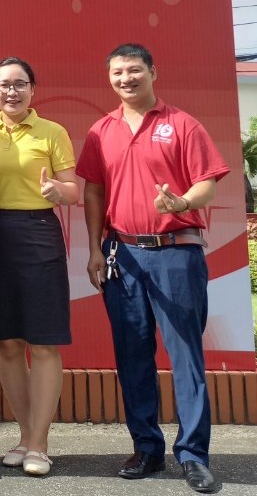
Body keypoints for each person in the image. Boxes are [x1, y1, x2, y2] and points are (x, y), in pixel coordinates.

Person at [77, 43, 227, 494]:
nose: (126, 79)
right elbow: (93, 193)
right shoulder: (101, 131)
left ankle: (193, 455)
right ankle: (146, 448)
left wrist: (181, 202)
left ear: (152, 72)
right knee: (132, 356)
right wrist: (94, 250)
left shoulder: (182, 124)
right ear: (110, 78)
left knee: (186, 356)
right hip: (122, 255)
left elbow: (206, 184)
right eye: (118, 72)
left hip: (176, 253)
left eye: (134, 70)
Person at [0, 57, 79, 476]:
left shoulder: (52, 132)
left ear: (33, 89)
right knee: (8, 342)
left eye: (19, 84)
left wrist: (58, 190)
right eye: (3, 85)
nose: (11, 92)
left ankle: (40, 444)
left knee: (44, 342)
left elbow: (73, 190)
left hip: (39, 233)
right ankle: (23, 436)